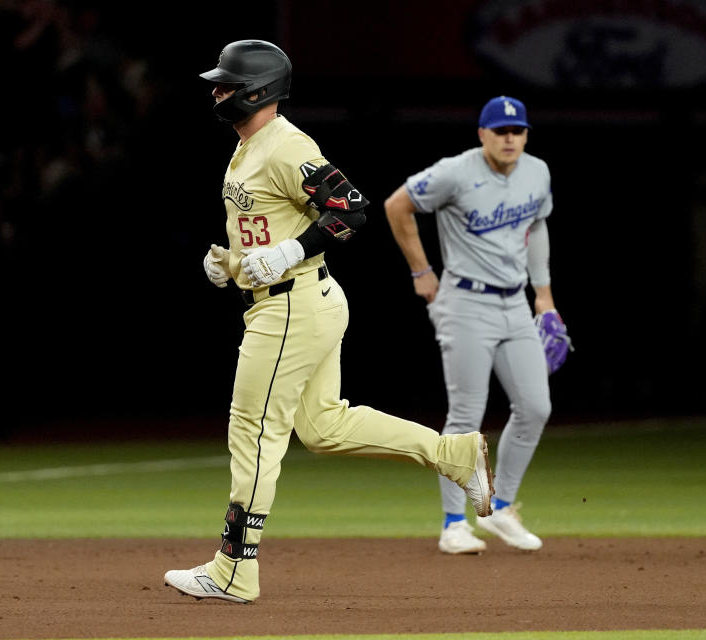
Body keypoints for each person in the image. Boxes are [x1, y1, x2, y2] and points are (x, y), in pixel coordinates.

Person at [163, 39, 493, 604]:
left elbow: (351, 207)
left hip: (290, 305)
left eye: (227, 84)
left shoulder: (286, 145)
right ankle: (451, 454)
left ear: (259, 90)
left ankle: (234, 569)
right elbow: (267, 224)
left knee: (254, 429)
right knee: (323, 427)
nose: (217, 92)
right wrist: (234, 262)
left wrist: (289, 254)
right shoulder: (248, 146)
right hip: (296, 301)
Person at [384, 96, 570, 554]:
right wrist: (421, 272)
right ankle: (453, 524)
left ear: (525, 135)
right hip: (464, 301)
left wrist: (543, 296)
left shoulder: (537, 171)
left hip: (514, 305)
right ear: (482, 134)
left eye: (518, 131)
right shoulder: (455, 172)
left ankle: (500, 506)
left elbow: (538, 228)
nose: (510, 138)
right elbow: (396, 205)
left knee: (535, 406)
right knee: (466, 416)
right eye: (501, 131)